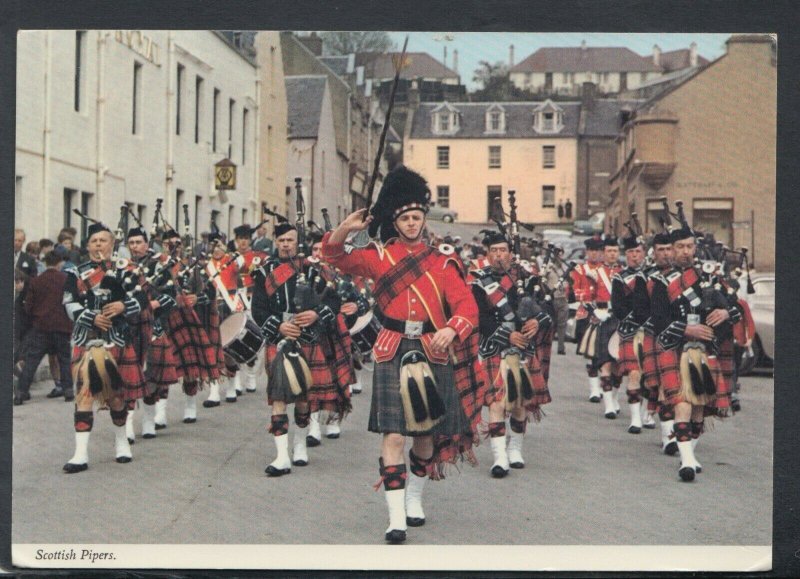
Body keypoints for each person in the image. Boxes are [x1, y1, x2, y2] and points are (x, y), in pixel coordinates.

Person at [322, 166, 487, 544]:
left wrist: (451, 328)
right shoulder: (378, 256)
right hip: (392, 349)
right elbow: (332, 256)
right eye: (405, 218)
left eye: (417, 218)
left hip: (432, 349)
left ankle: (414, 496)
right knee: (394, 436)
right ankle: (395, 517)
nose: (412, 224)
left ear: (424, 220)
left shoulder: (443, 261)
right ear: (395, 221)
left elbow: (467, 308)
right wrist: (347, 227)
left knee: (424, 437)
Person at [250, 222, 349, 476]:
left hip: (307, 337)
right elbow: (258, 310)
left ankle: (299, 444)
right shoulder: (263, 272)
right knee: (280, 398)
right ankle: (282, 456)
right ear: (276, 241)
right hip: (280, 338)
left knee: (304, 399)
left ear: (297, 242)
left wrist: (316, 314)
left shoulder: (312, 270)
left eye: (290, 240)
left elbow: (333, 301)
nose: (285, 245)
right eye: (281, 240)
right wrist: (280, 327)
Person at [650, 213, 738, 481]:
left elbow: (735, 306)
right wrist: (685, 328)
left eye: (689, 246)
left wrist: (726, 314)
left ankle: (690, 451)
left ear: (694, 247)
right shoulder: (661, 281)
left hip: (704, 349)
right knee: (682, 403)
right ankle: (686, 460)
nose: (685, 251)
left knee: (699, 408)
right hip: (675, 348)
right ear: (672, 249)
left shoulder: (709, 277)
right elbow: (657, 319)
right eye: (680, 247)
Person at [61, 222, 150, 472]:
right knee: (84, 396)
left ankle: (122, 442)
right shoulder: (76, 273)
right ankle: (80, 454)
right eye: (94, 241)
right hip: (86, 340)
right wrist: (90, 316)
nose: (98, 245)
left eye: (103, 240)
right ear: (87, 245)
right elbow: (68, 302)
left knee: (117, 398)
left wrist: (123, 306)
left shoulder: (128, 270)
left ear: (112, 244)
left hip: (117, 338)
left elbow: (143, 297)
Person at [471, 231, 552, 478]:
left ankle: (515, 448)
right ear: (487, 254)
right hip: (495, 347)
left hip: (522, 349)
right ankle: (499, 457)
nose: (499, 255)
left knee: (519, 403)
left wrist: (537, 323)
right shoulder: (478, 281)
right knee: (496, 403)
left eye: (503, 250)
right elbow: (478, 317)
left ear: (510, 253)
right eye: (494, 251)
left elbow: (546, 307)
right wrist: (505, 335)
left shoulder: (527, 279)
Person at [14, 251, 75, 404]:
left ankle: (21, 393)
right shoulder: (66, 279)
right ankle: (68, 390)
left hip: (41, 327)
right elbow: (71, 303)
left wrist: (36, 316)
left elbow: (28, 306)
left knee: (32, 361)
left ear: (46, 263)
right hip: (62, 326)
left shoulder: (36, 281)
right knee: (64, 360)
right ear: (59, 263)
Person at [611, 231, 651, 433]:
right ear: (625, 255)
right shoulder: (620, 278)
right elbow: (617, 307)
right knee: (634, 374)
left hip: (652, 331)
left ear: (643, 253)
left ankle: (646, 413)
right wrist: (635, 319)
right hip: (630, 332)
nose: (635, 256)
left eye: (638, 251)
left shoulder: (654, 275)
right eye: (631, 252)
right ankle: (635, 419)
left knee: (651, 377)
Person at [580, 236, 623, 419]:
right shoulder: (594, 273)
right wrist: (595, 311)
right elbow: (584, 296)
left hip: (620, 320)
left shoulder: (624, 272)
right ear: (603, 253)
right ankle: (608, 406)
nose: (612, 254)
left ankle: (613, 398)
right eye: (609, 251)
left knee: (619, 367)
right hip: (602, 318)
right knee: (603, 362)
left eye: (615, 251)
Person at [570, 236, 602, 401]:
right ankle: (594, 389)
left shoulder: (607, 269)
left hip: (604, 315)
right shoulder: (580, 270)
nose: (594, 254)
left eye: (597, 250)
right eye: (591, 250)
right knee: (591, 353)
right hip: (586, 314)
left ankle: (604, 384)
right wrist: (591, 296)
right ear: (587, 251)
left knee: (604, 354)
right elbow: (575, 292)